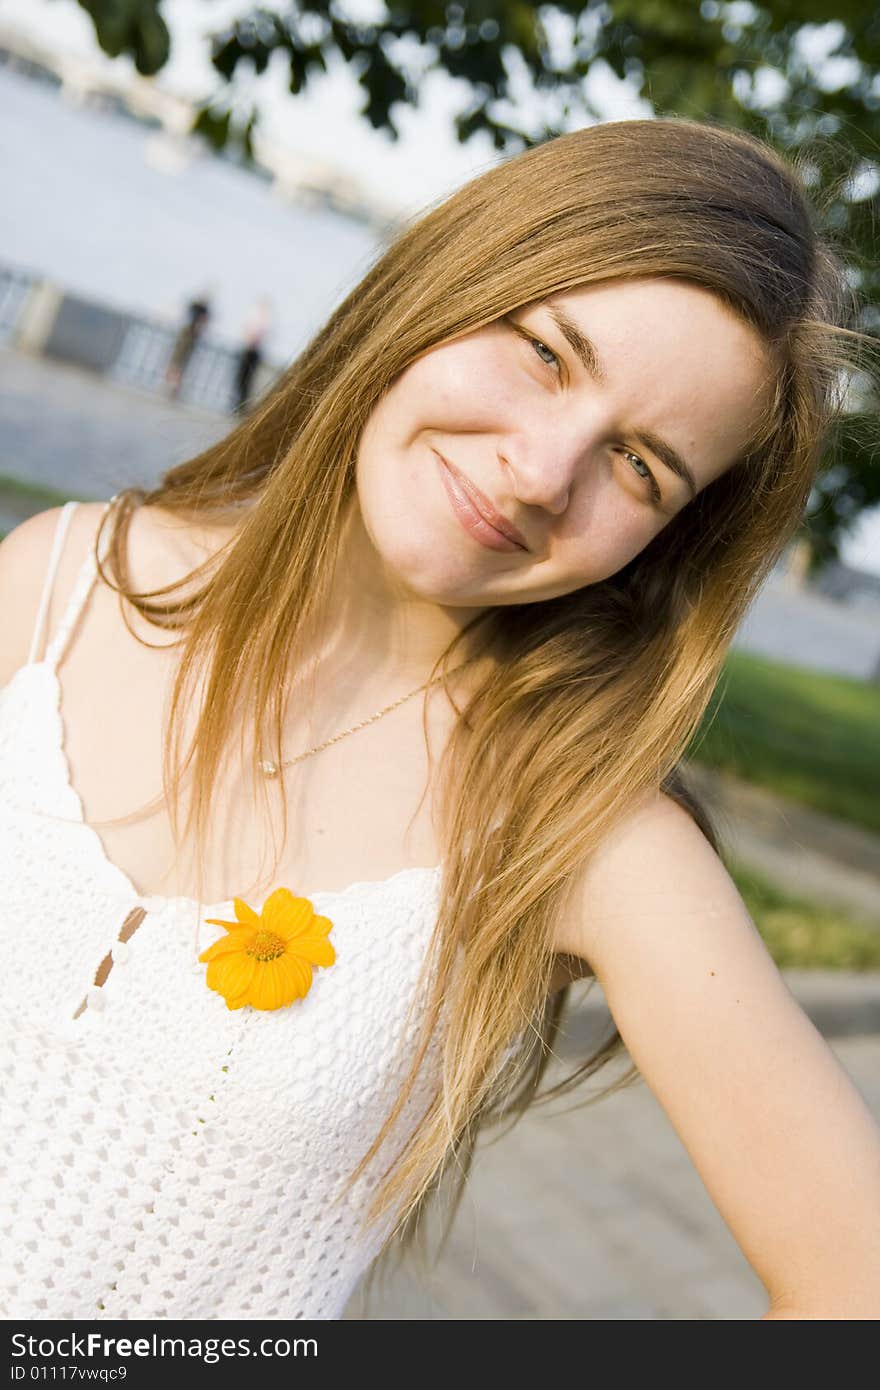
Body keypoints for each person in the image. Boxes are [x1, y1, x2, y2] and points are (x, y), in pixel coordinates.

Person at [1, 117, 879, 1322]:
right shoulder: (57, 583)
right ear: (446, 283)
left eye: (637, 466)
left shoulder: (578, 833)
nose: (537, 471)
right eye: (545, 354)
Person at [164, 290, 212, 400]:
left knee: (178, 362)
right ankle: (172, 386)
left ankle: (173, 386)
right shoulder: (200, 308)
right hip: (190, 335)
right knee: (177, 362)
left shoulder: (199, 307)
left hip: (190, 335)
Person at [232, 296, 272, 414]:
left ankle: (240, 405)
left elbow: (257, 334)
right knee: (242, 379)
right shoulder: (259, 318)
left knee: (246, 379)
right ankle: (239, 404)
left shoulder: (264, 320)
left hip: (253, 351)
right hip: (249, 350)